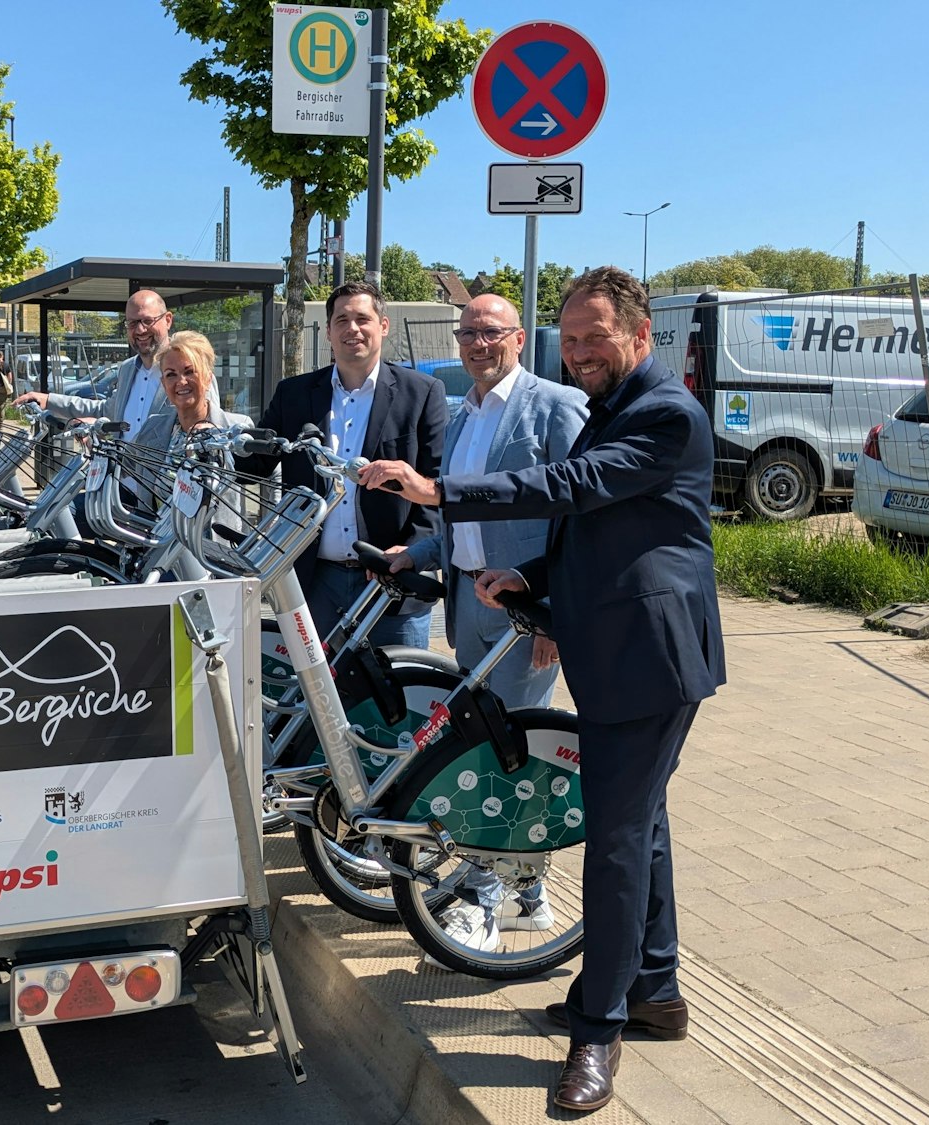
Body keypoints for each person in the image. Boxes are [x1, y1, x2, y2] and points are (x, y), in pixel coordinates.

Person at [358, 266, 726, 1114]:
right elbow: (597, 527)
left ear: (639, 333)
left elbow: (573, 488)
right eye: (573, 334)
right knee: (643, 822)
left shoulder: (665, 412)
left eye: (596, 334)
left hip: (650, 656)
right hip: (615, 644)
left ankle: (598, 1029)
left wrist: (439, 492)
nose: (582, 349)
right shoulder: (613, 406)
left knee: (617, 837)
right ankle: (657, 991)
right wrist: (530, 579)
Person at [383, 293, 588, 956]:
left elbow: (576, 516)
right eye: (467, 331)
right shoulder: (467, 410)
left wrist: (554, 608)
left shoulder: (554, 406)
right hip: (471, 604)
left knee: (503, 752)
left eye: (490, 332)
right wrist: (413, 553)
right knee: (498, 744)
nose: (476, 342)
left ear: (519, 338)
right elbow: (455, 517)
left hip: (526, 611)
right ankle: (530, 888)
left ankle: (483, 898)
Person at [237, 280, 446, 649]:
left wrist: (414, 549)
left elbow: (438, 483)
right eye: (342, 320)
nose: (353, 329)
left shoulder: (423, 393)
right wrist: (210, 432)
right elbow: (255, 465)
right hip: (315, 584)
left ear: (383, 326)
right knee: (309, 698)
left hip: (390, 583)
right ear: (330, 331)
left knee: (396, 698)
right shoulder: (295, 394)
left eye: (363, 318)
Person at [13, 289, 216, 433]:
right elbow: (105, 410)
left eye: (147, 321)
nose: (140, 330)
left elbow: (210, 424)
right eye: (132, 323)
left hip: (166, 489)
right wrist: (48, 400)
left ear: (168, 320)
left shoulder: (191, 370)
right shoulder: (128, 370)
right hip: (121, 484)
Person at [134, 331, 251, 454]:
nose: (181, 382)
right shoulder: (151, 428)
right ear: (163, 383)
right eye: (171, 374)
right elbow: (126, 469)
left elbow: (268, 471)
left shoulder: (238, 427)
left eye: (189, 372)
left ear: (208, 378)